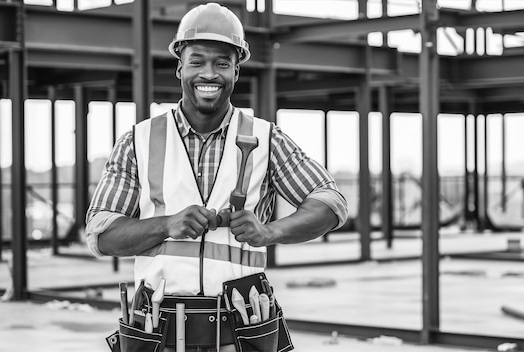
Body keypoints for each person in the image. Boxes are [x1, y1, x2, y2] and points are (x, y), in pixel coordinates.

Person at [86, 2, 347, 351]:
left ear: (237, 72)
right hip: (161, 331)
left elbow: (331, 204)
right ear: (179, 68)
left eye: (222, 63)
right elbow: (101, 234)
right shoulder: (140, 141)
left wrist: (269, 232)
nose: (209, 74)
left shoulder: (266, 139)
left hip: (240, 331)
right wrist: (166, 225)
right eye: (196, 61)